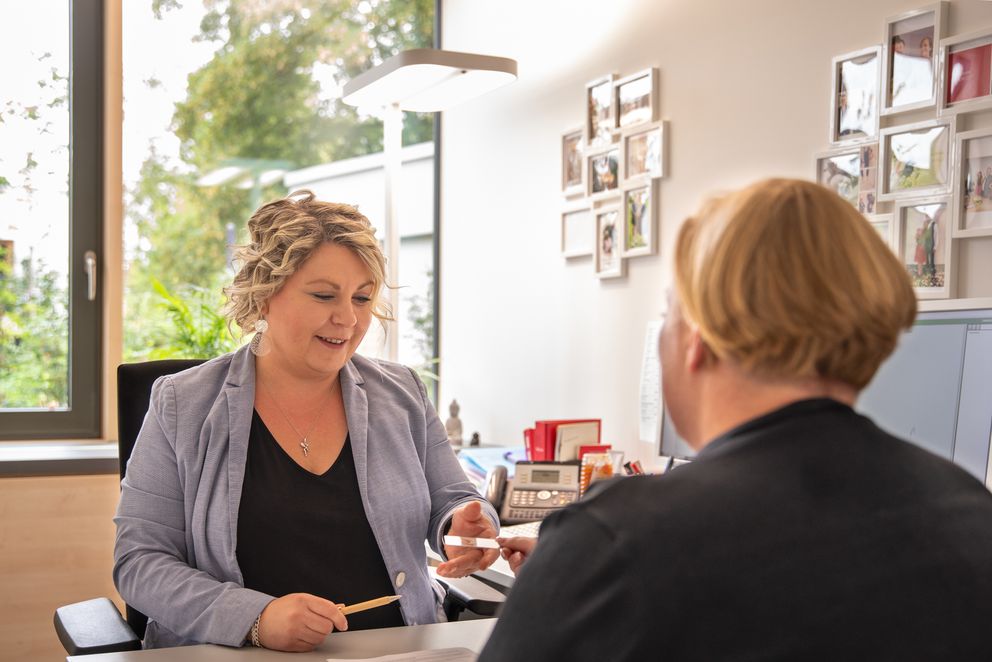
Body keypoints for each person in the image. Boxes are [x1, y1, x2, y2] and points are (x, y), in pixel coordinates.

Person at [481, 179, 992, 661]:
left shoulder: (617, 541)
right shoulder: (970, 510)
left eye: (669, 313)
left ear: (698, 340)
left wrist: (568, 577)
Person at [114, 191, 498, 652]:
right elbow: (139, 562)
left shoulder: (402, 393)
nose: (348, 318)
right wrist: (255, 618)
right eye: (323, 295)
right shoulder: (182, 403)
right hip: (239, 651)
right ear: (263, 297)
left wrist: (466, 527)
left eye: (362, 298)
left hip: (397, 646)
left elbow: (452, 501)